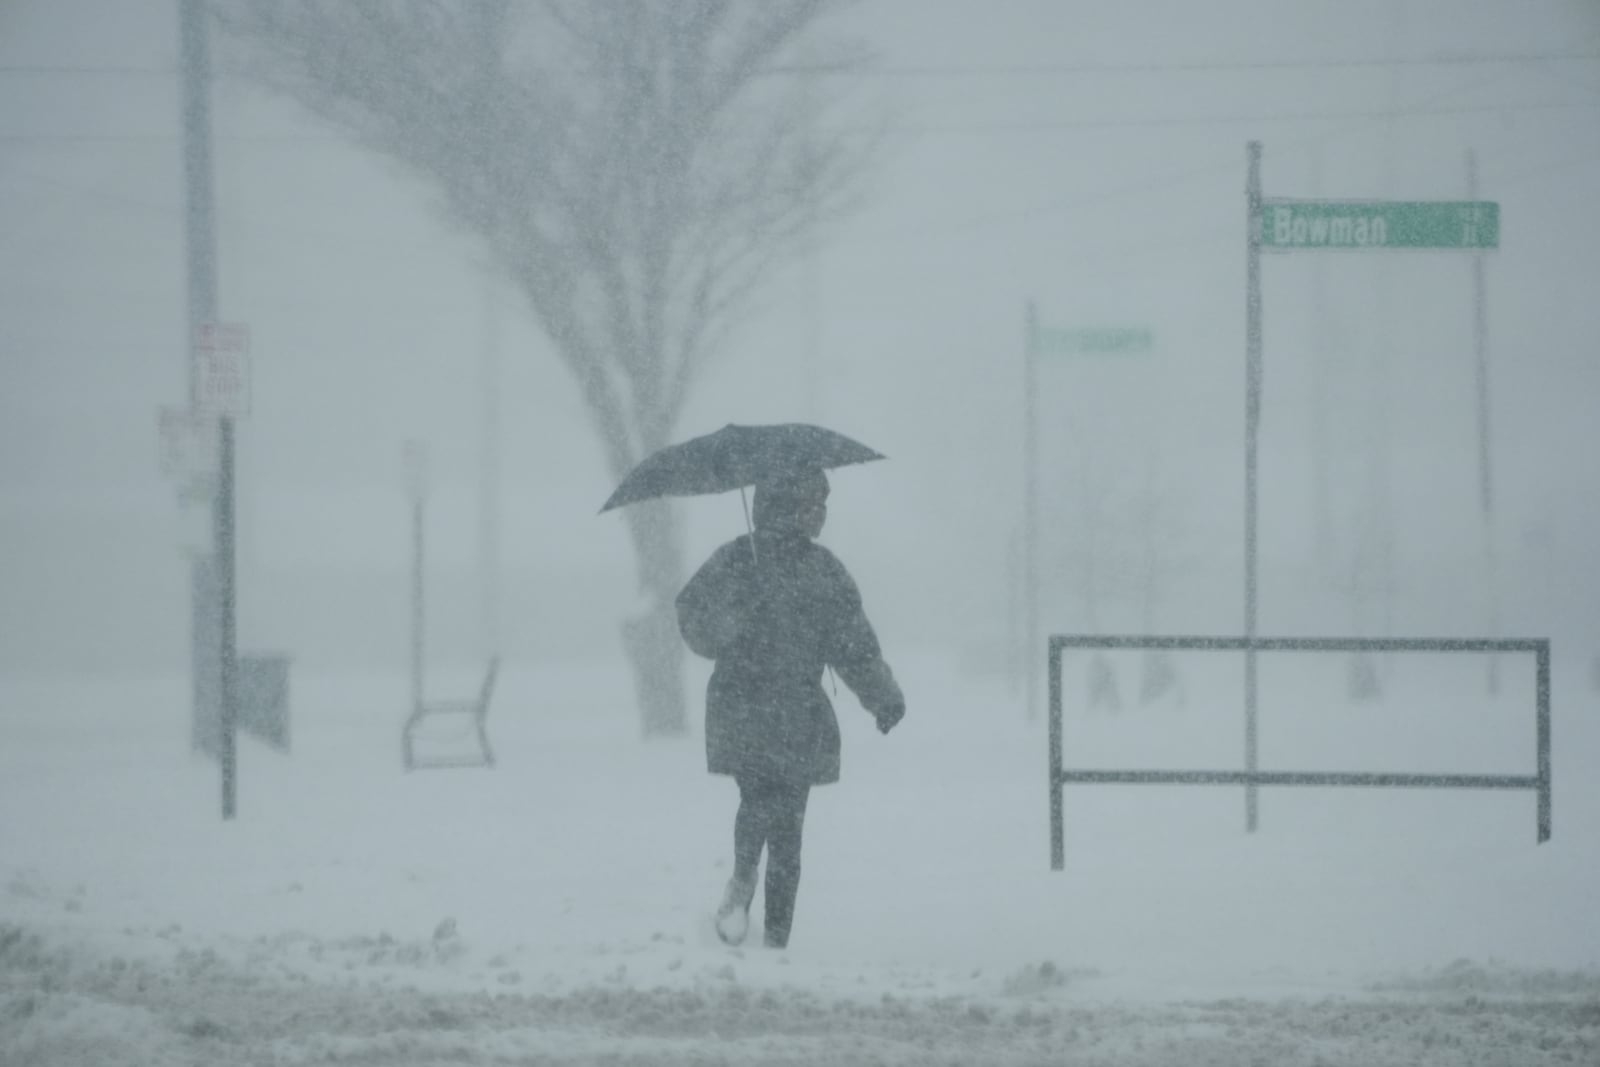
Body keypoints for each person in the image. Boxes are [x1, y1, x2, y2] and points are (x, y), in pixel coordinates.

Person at [675, 466, 904, 949]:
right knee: (775, 814)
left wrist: (882, 695)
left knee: (774, 817)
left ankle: (762, 913)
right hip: (773, 709)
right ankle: (759, 910)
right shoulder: (798, 568)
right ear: (784, 508)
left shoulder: (759, 562)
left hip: (765, 710)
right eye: (812, 505)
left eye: (823, 505)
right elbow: (691, 613)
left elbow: (853, 647)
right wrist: (726, 626)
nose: (820, 515)